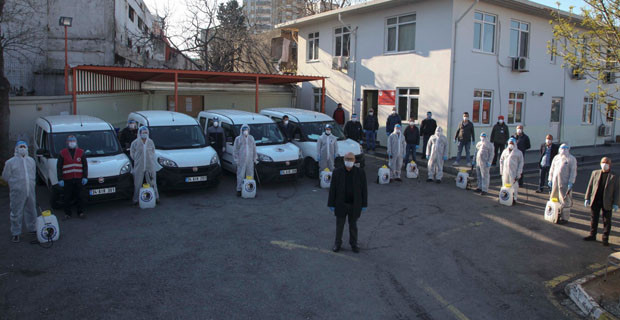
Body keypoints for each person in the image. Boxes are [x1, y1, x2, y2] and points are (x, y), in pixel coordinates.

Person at [328, 152, 367, 253]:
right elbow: (333, 189)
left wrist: (364, 204)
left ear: (354, 161)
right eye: (347, 159)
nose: (349, 161)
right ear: (344, 160)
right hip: (341, 204)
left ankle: (354, 244)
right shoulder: (337, 172)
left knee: (353, 225)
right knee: (339, 225)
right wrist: (331, 203)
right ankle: (337, 243)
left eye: (351, 159)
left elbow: (364, 190)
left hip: (354, 204)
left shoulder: (360, 172)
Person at [2, 141, 36, 243]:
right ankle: (16, 233)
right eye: (20, 147)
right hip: (17, 192)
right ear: (16, 148)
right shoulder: (10, 162)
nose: (22, 149)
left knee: (31, 210)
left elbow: (33, 174)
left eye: (24, 147)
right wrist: (15, 185)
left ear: (27, 148)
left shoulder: (31, 161)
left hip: (30, 190)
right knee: (16, 212)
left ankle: (32, 228)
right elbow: (5, 177)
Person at [584, 157, 619, 246]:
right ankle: (592, 235)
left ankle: (605, 238)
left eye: (606, 163)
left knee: (606, 221)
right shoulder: (595, 173)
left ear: (610, 165)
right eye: (603, 162)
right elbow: (590, 186)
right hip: (595, 199)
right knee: (594, 218)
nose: (604, 165)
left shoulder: (614, 176)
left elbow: (617, 190)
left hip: (607, 201)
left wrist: (616, 203)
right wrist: (587, 198)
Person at [57, 135, 88, 219]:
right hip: (67, 179)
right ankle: (67, 213)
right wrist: (60, 179)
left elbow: (85, 166)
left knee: (80, 196)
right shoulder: (62, 153)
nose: (72, 143)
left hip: (79, 178)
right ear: (67, 142)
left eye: (73, 141)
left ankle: (80, 212)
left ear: (76, 142)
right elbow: (59, 167)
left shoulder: (81, 152)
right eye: (70, 141)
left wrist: (85, 177)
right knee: (67, 197)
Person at [548, 144, 577, 223]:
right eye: (562, 148)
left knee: (565, 201)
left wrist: (571, 182)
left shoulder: (571, 159)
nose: (563, 150)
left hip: (565, 183)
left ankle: (565, 218)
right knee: (554, 198)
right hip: (555, 183)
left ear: (568, 149)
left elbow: (573, 172)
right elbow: (552, 169)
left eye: (565, 148)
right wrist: (550, 179)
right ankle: (554, 214)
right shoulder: (556, 158)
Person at [130, 126, 159, 205]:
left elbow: (153, 151)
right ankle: (136, 199)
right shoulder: (135, 143)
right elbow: (132, 153)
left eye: (146, 133)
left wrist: (150, 159)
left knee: (152, 182)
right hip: (139, 166)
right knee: (137, 183)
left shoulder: (150, 142)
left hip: (150, 165)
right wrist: (137, 159)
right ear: (140, 133)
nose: (144, 134)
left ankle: (156, 197)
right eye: (143, 133)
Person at [233, 124, 257, 197]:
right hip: (241, 160)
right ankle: (239, 190)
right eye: (244, 130)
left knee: (250, 174)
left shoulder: (251, 138)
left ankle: (250, 189)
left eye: (246, 130)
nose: (245, 131)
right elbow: (235, 150)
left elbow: (254, 149)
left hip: (250, 161)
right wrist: (236, 160)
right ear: (241, 130)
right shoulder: (238, 139)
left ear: (248, 130)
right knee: (240, 175)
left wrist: (255, 158)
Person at [499, 138, 524, 204]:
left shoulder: (518, 152)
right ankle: (504, 197)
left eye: (512, 143)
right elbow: (501, 160)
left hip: (513, 172)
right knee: (504, 185)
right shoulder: (505, 151)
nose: (511, 145)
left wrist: (519, 173)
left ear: (515, 144)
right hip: (505, 172)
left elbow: (521, 163)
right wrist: (501, 171)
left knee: (514, 186)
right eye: (510, 143)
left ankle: (514, 198)